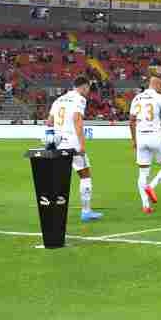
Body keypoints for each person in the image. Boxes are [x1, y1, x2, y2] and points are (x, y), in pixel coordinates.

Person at [46, 76, 101, 222]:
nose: (88, 92)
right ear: (83, 87)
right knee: (85, 175)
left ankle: (53, 210)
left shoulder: (59, 100)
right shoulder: (79, 99)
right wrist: (82, 144)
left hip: (58, 143)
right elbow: (77, 120)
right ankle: (86, 211)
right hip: (73, 142)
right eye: (88, 88)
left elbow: (49, 122)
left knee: (59, 178)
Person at [129, 76, 161, 214]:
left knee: (143, 172)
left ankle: (146, 205)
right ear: (158, 84)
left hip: (140, 136)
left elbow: (131, 121)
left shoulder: (136, 98)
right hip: (155, 135)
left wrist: (134, 140)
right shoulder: (158, 97)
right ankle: (152, 186)